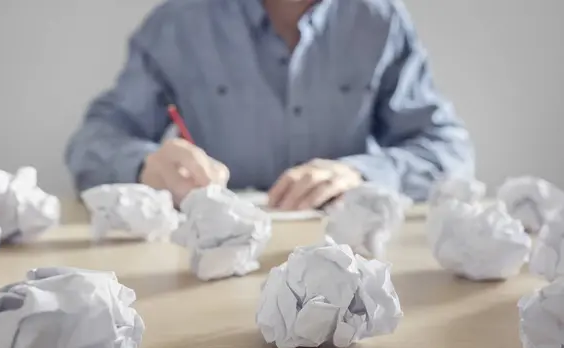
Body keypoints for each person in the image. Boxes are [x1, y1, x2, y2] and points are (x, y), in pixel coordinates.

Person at [65, 0, 473, 210]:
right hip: (211, 268)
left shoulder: (379, 19)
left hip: (355, 267)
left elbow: (448, 150)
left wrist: (360, 173)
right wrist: (144, 164)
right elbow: (93, 141)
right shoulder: (179, 23)